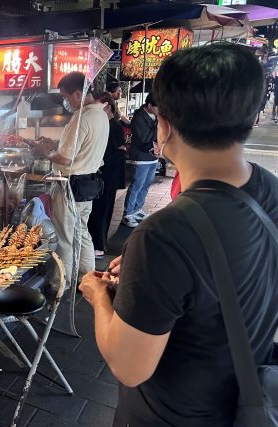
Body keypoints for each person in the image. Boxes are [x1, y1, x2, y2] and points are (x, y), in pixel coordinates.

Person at [79, 43, 278, 426]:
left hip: (170, 417)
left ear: (164, 125)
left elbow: (128, 366)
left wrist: (99, 296)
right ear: (253, 118)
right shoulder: (269, 190)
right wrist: (150, 280)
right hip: (241, 402)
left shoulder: (164, 234)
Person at [29, 71, 109, 290]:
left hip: (70, 186)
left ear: (77, 93)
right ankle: (88, 279)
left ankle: (60, 284)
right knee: (82, 232)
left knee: (64, 237)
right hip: (87, 185)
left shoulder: (81, 117)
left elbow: (65, 158)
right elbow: (79, 148)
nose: (65, 102)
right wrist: (53, 144)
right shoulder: (101, 115)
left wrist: (43, 150)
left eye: (65, 96)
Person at [88, 92, 126, 258]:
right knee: (97, 210)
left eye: (99, 106)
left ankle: (99, 246)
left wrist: (100, 162)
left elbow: (120, 152)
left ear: (107, 106)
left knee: (102, 210)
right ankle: (96, 243)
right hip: (102, 174)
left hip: (108, 175)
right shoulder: (105, 124)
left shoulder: (114, 126)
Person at [122, 93, 158, 228]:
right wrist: (157, 126)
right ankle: (128, 213)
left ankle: (138, 209)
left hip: (152, 157)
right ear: (149, 106)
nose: (160, 111)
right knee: (137, 185)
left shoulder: (154, 116)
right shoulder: (139, 117)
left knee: (146, 185)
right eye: (158, 108)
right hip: (140, 157)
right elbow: (144, 138)